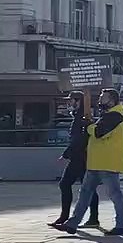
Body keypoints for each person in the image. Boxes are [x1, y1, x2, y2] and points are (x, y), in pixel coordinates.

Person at [58, 88, 123, 236]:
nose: (100, 100)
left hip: (108, 163)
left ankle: (122, 225)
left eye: (103, 98)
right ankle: (72, 223)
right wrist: (91, 125)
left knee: (115, 194)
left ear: (112, 100)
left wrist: (89, 126)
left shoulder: (116, 116)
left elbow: (99, 133)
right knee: (85, 193)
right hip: (96, 162)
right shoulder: (108, 115)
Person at [50, 91, 100, 230]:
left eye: (71, 100)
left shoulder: (81, 118)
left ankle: (66, 216)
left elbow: (79, 140)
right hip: (82, 157)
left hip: (79, 158)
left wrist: (66, 154)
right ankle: (93, 218)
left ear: (78, 102)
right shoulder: (81, 117)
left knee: (65, 184)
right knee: (88, 188)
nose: (68, 103)